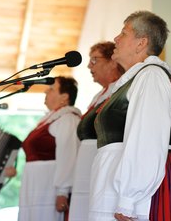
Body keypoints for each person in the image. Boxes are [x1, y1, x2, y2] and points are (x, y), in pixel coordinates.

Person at [88, 11, 171, 221]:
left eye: (123, 33)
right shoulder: (139, 77)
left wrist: (129, 200)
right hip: (119, 185)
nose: (116, 39)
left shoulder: (151, 76)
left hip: (137, 193)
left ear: (141, 42)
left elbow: (147, 140)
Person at [68, 41, 124, 221]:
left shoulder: (119, 92)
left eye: (94, 60)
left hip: (103, 164)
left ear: (112, 61)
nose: (88, 66)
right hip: (87, 165)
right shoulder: (99, 95)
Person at [18, 76, 81, 221]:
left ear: (64, 97)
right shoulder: (50, 119)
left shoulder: (68, 119)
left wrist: (63, 192)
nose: (46, 91)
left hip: (48, 187)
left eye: (52, 89)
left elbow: (68, 156)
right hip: (36, 185)